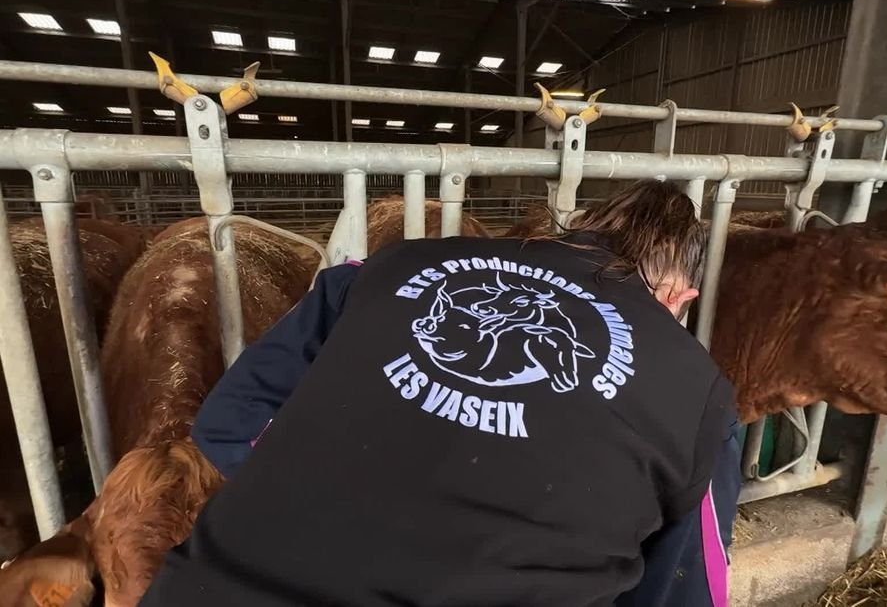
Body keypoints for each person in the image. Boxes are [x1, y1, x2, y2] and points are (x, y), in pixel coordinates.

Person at [140, 180, 737, 606]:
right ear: (680, 297)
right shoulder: (700, 393)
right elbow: (686, 588)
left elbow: (228, 420)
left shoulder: (383, 268)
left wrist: (322, 478)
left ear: (575, 233)